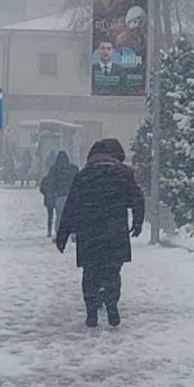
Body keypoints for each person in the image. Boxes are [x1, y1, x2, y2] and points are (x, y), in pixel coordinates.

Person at [55, 138, 145, 328]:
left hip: (89, 233)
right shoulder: (124, 174)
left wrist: (63, 234)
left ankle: (91, 311)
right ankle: (111, 305)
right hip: (115, 232)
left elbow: (71, 205)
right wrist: (137, 221)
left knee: (90, 272)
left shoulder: (84, 175)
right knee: (113, 271)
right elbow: (137, 199)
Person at [40, 151, 78, 238]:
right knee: (71, 216)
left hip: (59, 197)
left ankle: (59, 235)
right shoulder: (73, 169)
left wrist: (52, 194)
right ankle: (73, 235)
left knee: (60, 218)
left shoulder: (54, 169)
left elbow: (51, 183)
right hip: (70, 196)